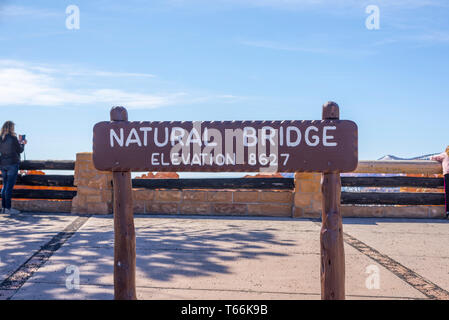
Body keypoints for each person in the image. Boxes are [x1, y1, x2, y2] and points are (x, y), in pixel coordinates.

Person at [0, 121, 27, 214]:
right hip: (12, 164)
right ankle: (8, 208)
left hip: (3, 164)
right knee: (9, 187)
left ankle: (3, 208)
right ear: (11, 128)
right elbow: (19, 150)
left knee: (4, 186)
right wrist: (22, 143)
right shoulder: (13, 138)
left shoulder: (1, 138)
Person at [430, 146, 449, 219]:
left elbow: (432, 157)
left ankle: (448, 213)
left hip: (447, 175)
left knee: (448, 194)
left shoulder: (444, 154)